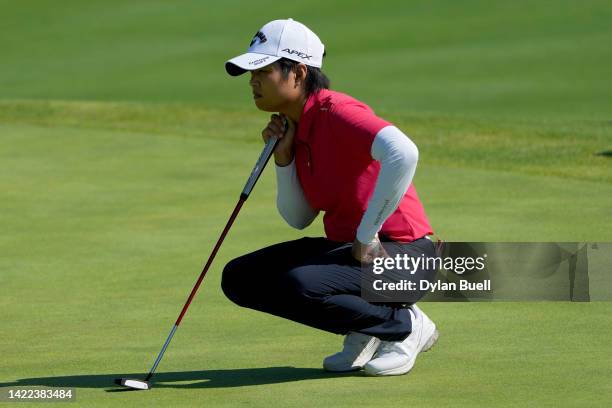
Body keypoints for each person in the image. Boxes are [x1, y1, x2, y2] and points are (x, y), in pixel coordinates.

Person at [221, 18, 438, 376]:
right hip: (353, 257)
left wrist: (367, 235)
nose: (253, 80)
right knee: (240, 278)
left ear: (299, 72)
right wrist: (284, 158)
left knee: (300, 284)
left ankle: (405, 325)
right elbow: (298, 217)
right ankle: (367, 327)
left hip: (405, 257)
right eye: (252, 71)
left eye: (264, 69)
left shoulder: (336, 111)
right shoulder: (296, 127)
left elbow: (404, 152)